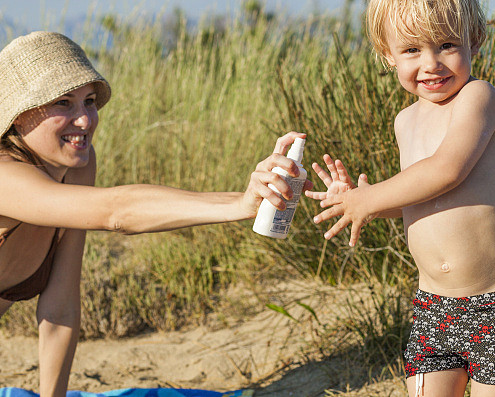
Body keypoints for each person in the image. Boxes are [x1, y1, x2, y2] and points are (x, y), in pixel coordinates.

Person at [0, 31, 309, 397]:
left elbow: (60, 309)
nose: (84, 121)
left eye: (89, 102)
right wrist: (238, 205)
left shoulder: (77, 167)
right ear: (18, 117)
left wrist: (252, 199)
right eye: (64, 103)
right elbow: (116, 212)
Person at [306, 0, 495, 397]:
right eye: (412, 50)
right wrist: (362, 201)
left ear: (474, 40)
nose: (431, 63)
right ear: (387, 55)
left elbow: (447, 170)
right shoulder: (404, 122)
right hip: (433, 306)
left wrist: (370, 198)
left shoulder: (478, 98)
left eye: (447, 45)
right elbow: (421, 197)